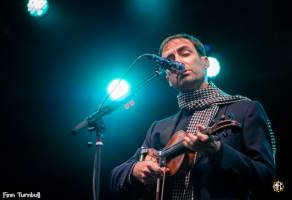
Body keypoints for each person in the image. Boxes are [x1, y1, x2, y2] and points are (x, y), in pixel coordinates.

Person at [109, 33, 277, 200]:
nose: (177, 62)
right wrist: (135, 170)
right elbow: (115, 177)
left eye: (185, 53)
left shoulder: (245, 109)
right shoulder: (158, 128)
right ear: (168, 77)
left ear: (205, 62)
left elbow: (271, 181)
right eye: (170, 59)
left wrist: (220, 152)